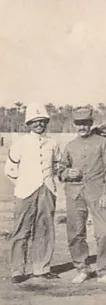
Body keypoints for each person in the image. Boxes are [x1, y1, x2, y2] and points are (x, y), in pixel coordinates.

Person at [59, 106, 106, 285]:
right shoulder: (70, 146)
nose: (82, 127)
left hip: (98, 193)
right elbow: (60, 170)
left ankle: (104, 270)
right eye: (78, 124)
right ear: (74, 124)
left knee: (104, 231)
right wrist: (66, 173)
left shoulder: (102, 143)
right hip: (74, 194)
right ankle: (82, 268)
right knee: (76, 233)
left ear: (91, 123)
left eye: (85, 123)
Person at [4, 104, 61, 283]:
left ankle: (41, 268)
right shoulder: (20, 143)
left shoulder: (52, 143)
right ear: (28, 124)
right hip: (25, 191)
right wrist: (22, 184)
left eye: (42, 121)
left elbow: (58, 166)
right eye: (35, 122)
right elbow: (10, 169)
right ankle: (17, 271)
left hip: (47, 190)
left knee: (44, 229)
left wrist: (52, 180)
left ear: (46, 122)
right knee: (21, 230)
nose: (39, 125)